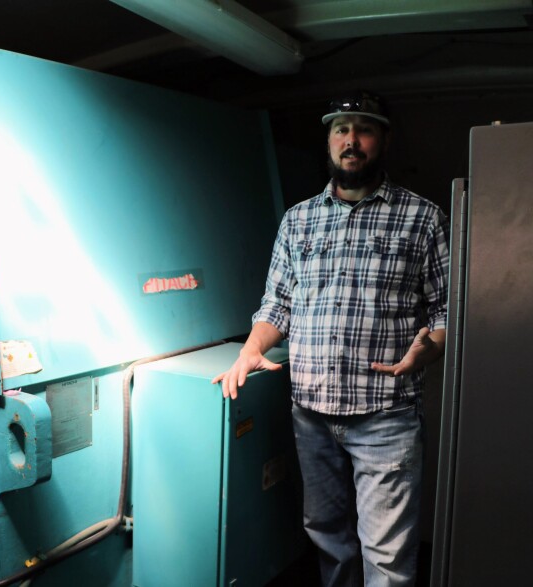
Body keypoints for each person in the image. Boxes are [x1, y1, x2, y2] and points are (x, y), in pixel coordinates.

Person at [212, 91, 449, 587]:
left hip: (386, 418)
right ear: (328, 141)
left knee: (386, 560)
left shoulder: (423, 218)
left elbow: (448, 309)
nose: (351, 140)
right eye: (341, 129)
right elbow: (277, 305)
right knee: (327, 538)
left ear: (382, 140)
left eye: (363, 129)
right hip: (311, 416)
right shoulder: (297, 220)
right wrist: (253, 347)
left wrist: (435, 342)